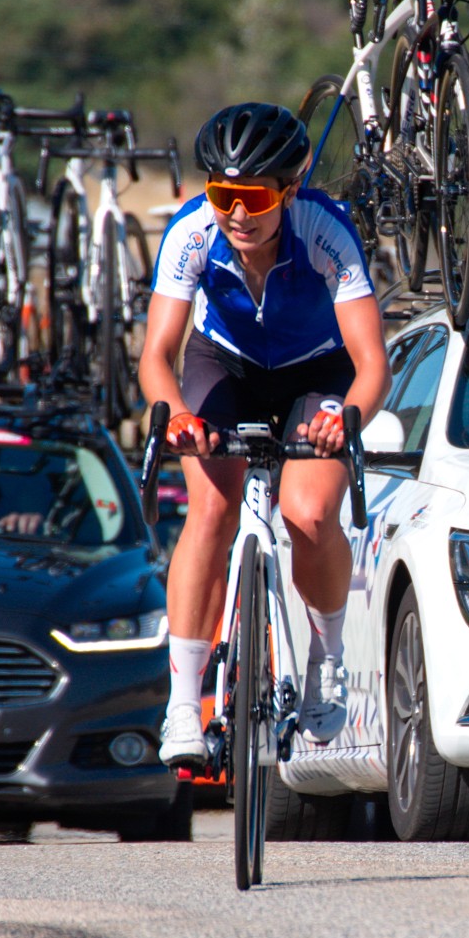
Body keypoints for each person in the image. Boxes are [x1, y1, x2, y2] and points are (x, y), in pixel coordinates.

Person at [137, 103, 390, 766]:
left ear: (289, 189)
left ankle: (327, 653)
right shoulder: (193, 231)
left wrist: (346, 418)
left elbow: (370, 363)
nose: (237, 215)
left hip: (317, 369)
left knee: (307, 512)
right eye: (224, 196)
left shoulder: (326, 232)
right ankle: (184, 704)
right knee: (212, 508)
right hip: (224, 363)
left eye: (253, 198)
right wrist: (180, 418)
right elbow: (157, 354)